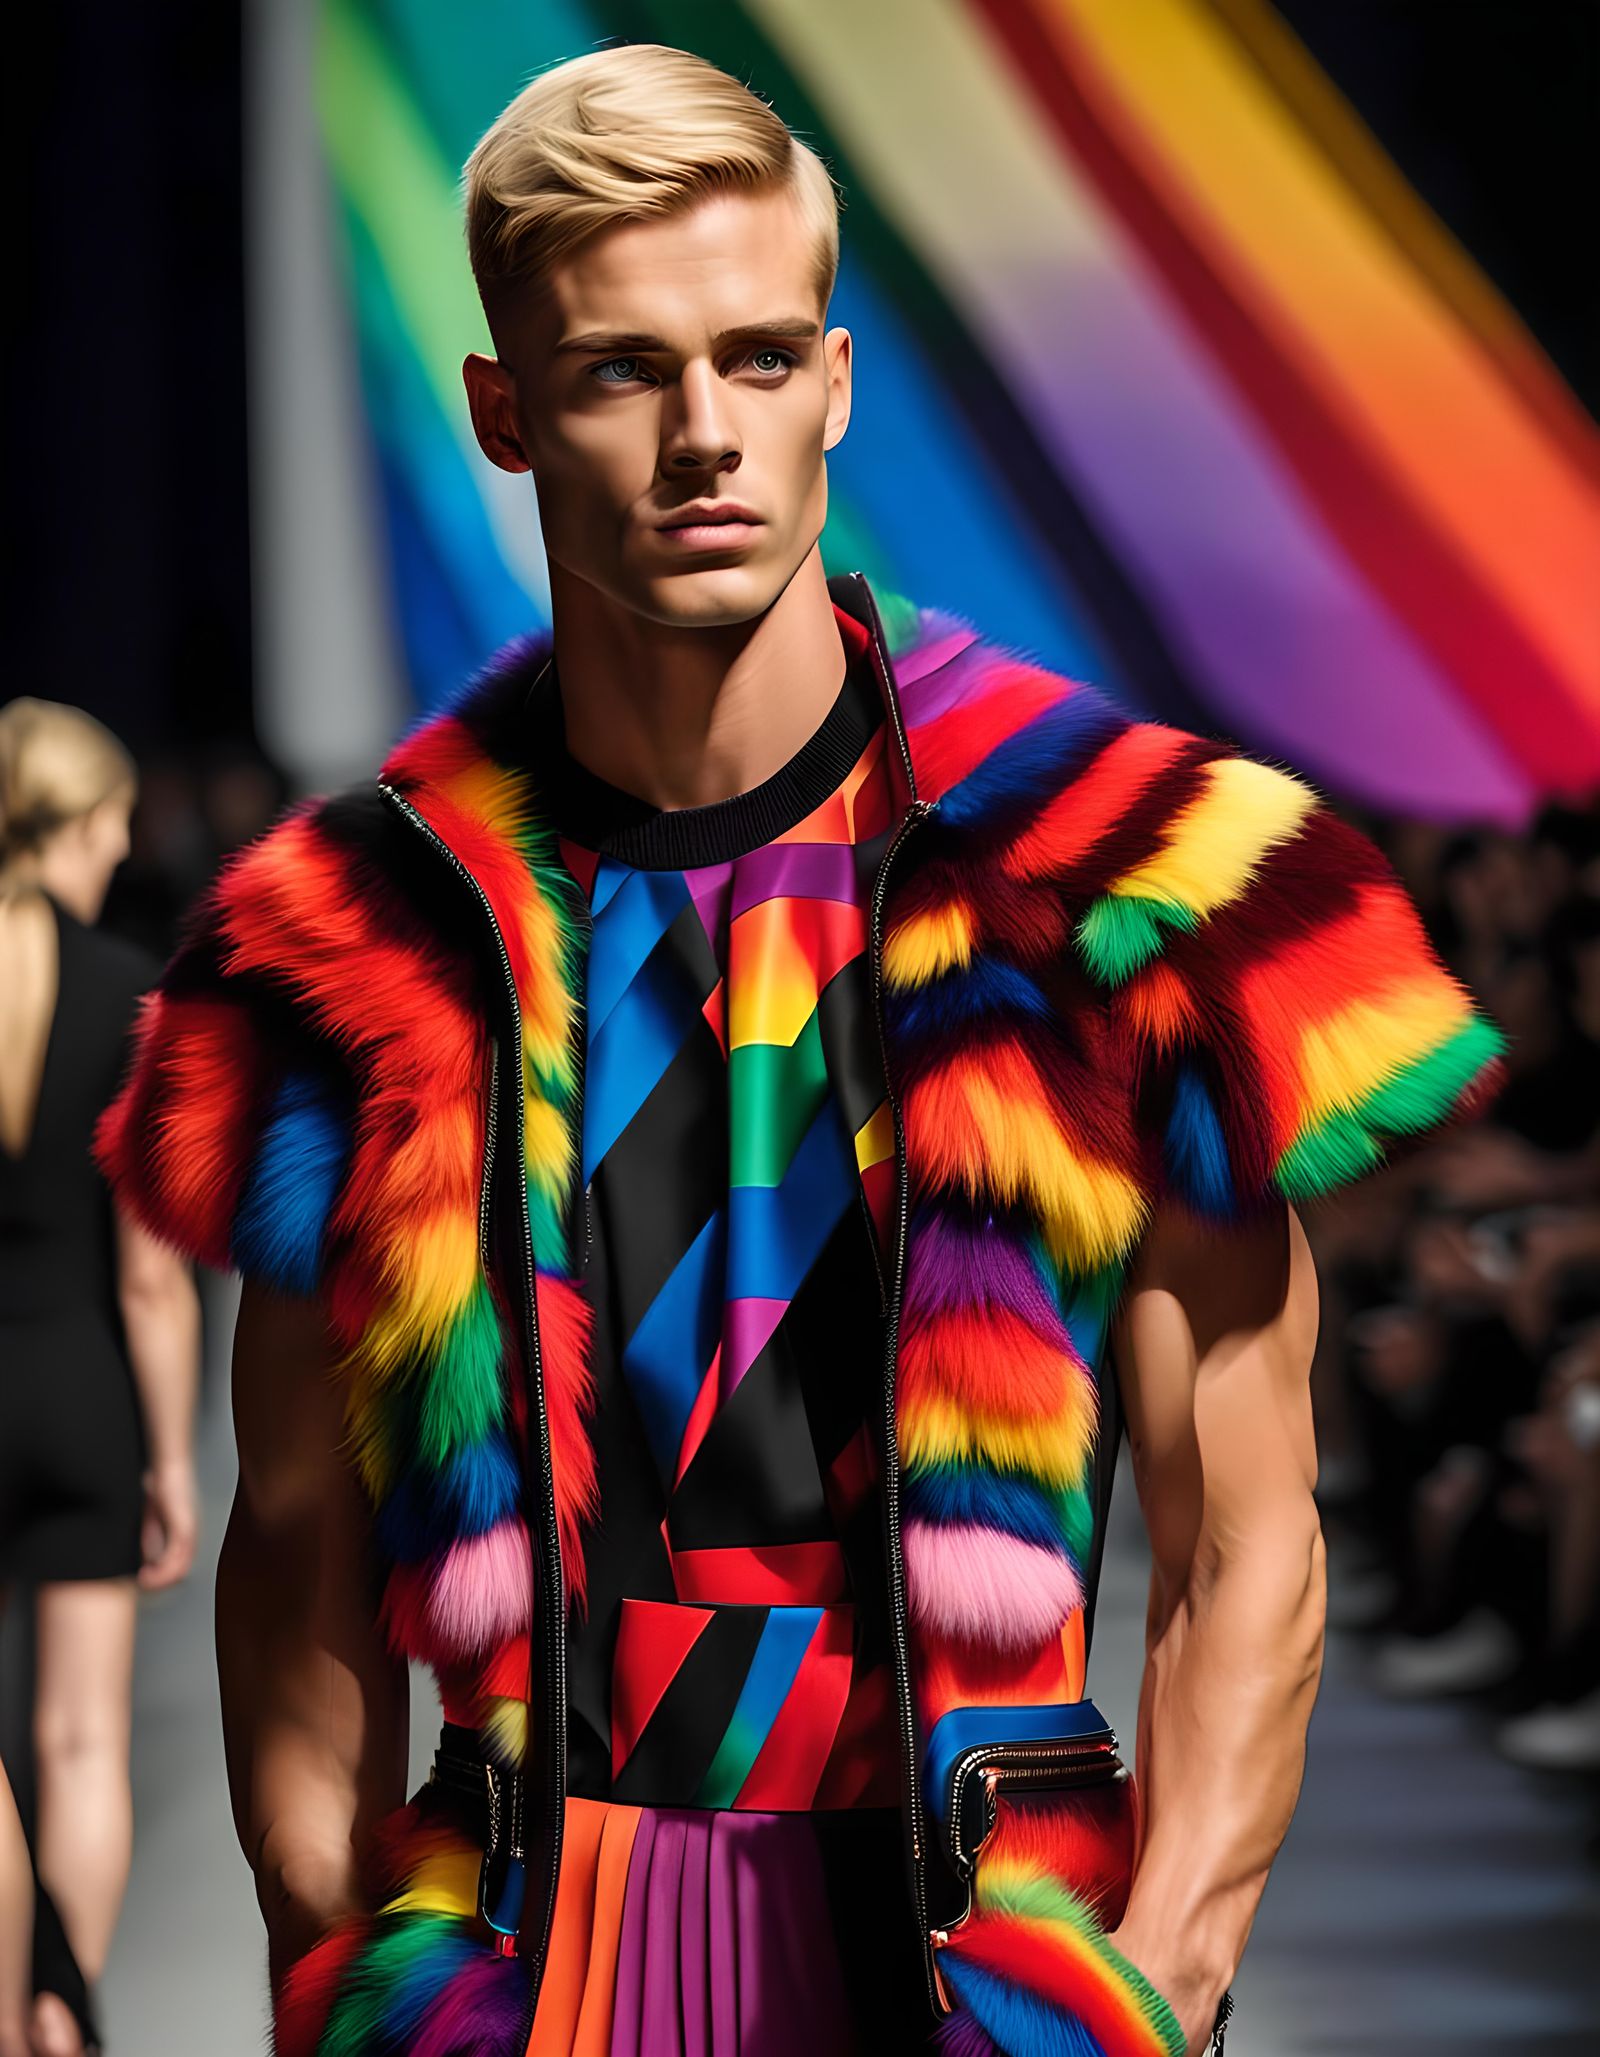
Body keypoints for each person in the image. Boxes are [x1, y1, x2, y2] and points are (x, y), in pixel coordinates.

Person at [96, 44, 1505, 2057]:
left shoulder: (1121, 884)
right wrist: (343, 1993)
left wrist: (1150, 1993)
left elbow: (1244, 1534)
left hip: (963, 1955)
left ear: (834, 381)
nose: (705, 438)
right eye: (621, 372)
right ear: (503, 411)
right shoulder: (352, 947)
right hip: (530, 1948)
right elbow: (303, 1548)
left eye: (757, 360)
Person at [0, 699, 202, 2057]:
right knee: (81, 1740)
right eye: (116, 820)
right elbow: (149, 1277)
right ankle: (61, 2011)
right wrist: (171, 1460)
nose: (126, 844)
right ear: (77, 825)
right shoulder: (132, 992)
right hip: (79, 1393)